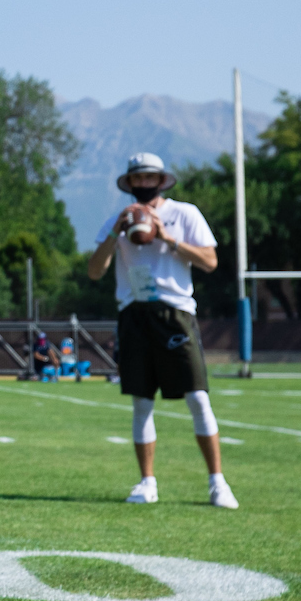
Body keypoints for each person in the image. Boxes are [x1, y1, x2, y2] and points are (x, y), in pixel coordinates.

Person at [86, 152, 236, 509]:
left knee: (197, 396)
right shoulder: (117, 219)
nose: (143, 184)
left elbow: (211, 262)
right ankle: (146, 482)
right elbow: (94, 271)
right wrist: (115, 233)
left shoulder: (184, 213)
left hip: (175, 313)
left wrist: (169, 238)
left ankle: (218, 483)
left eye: (149, 177)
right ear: (130, 182)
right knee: (141, 401)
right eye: (137, 178)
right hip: (134, 313)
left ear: (161, 180)